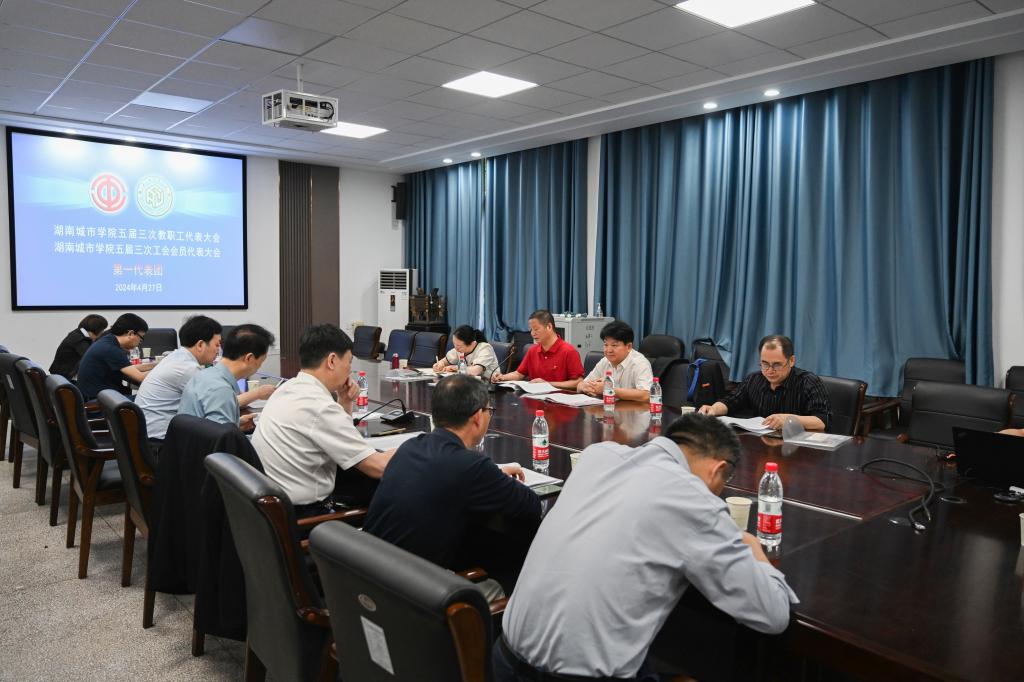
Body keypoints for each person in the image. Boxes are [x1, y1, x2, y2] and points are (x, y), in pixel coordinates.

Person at [495, 414, 798, 681]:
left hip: (502, 660)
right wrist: (753, 549)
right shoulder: (691, 497)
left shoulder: (597, 455)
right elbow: (773, 614)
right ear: (718, 469)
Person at [363, 374, 541, 600]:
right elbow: (531, 506)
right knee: (511, 579)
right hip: (411, 600)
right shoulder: (471, 468)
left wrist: (492, 476)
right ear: (478, 417)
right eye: (489, 410)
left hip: (366, 580)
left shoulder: (410, 447)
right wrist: (493, 477)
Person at [252, 324, 396, 518]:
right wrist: (412, 447)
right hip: (308, 517)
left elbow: (336, 436)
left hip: (274, 512)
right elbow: (378, 467)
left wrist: (344, 401)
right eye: (349, 362)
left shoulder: (288, 388)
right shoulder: (320, 407)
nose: (350, 371)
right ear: (332, 360)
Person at [136, 316, 234, 449]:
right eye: (217, 345)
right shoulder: (187, 368)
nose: (218, 350)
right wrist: (257, 394)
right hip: (161, 444)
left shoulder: (175, 357)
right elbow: (221, 401)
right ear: (200, 345)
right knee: (227, 442)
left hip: (151, 436)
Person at [699, 334, 831, 431]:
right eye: (765, 364)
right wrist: (713, 409)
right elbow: (731, 401)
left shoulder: (808, 382)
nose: (770, 371)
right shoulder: (754, 380)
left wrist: (788, 419)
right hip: (763, 444)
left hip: (798, 447)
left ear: (791, 361)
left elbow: (821, 421)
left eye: (777, 365)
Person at [178, 324, 274, 431]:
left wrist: (235, 424)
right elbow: (220, 439)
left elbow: (211, 427)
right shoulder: (221, 389)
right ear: (249, 358)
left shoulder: (204, 375)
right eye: (261, 361)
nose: (260, 366)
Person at [492, 309, 584, 390]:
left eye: (536, 329)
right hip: (534, 399)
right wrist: (503, 377)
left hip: (560, 400)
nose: (532, 333)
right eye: (531, 330)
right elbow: (519, 374)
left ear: (549, 327)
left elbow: (578, 382)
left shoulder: (569, 351)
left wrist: (547, 384)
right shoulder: (532, 351)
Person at [76, 313, 156, 400]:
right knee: (152, 399)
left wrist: (155, 365)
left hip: (99, 395)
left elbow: (129, 368)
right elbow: (140, 377)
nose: (140, 342)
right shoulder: (111, 349)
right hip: (99, 401)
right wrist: (162, 369)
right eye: (141, 338)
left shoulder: (108, 340)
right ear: (131, 333)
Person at [577, 321, 653, 402]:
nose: (608, 350)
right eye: (606, 345)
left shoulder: (639, 363)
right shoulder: (605, 361)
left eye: (614, 345)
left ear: (629, 347)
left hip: (632, 409)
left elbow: (646, 395)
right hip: (608, 407)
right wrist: (584, 387)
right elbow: (580, 385)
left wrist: (609, 390)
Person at [49, 314, 107, 379]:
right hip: (64, 377)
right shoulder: (79, 340)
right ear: (95, 331)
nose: (100, 334)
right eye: (101, 331)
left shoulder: (78, 332)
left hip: (61, 374)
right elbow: (92, 358)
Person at [432, 325, 500, 378]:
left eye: (459, 346)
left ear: (472, 343)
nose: (456, 348)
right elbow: (445, 361)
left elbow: (476, 371)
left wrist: (455, 368)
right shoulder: (459, 349)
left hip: (489, 385)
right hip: (469, 383)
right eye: (454, 344)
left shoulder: (485, 348)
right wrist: (440, 364)